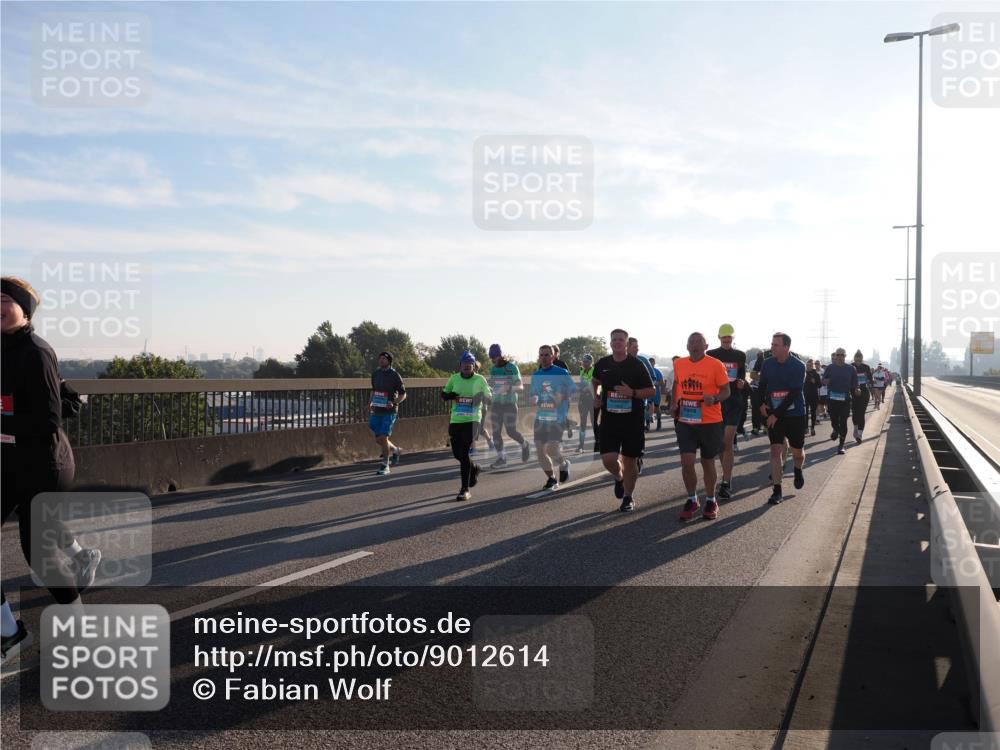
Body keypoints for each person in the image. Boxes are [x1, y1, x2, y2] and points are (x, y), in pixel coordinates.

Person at [2, 277, 98, 663]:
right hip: (7, 462)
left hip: (44, 464)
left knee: (39, 554)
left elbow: (47, 421)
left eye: (5, 299)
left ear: (25, 310)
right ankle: (10, 632)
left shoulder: (36, 352)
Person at [592, 329, 655, 512]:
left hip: (632, 420)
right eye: (615, 340)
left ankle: (628, 497)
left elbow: (651, 390)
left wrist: (633, 393)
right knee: (608, 459)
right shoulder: (603, 363)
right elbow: (595, 381)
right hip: (610, 419)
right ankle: (619, 478)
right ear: (610, 343)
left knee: (630, 461)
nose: (618, 342)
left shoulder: (636, 365)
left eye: (621, 340)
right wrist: (596, 396)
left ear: (626, 344)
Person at [673, 332, 731, 521]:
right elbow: (677, 384)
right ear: (687, 346)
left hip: (710, 422)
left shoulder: (715, 364)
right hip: (686, 421)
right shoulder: (679, 364)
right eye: (692, 342)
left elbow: (726, 391)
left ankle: (711, 499)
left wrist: (714, 399)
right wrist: (674, 403)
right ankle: (692, 498)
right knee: (687, 461)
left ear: (706, 346)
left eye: (699, 342)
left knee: (708, 462)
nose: (695, 345)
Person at [758, 332, 808, 504]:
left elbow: (794, 393)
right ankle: (777, 490)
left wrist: (775, 414)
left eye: (776, 345)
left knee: (797, 453)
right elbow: (762, 386)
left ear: (786, 347)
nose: (772, 347)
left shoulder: (799, 366)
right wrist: (761, 404)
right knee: (775, 451)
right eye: (772, 344)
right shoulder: (767, 364)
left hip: (795, 414)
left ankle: (797, 469)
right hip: (774, 415)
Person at [441, 352, 492, 501]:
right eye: (464, 365)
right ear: (460, 366)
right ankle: (474, 468)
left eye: (469, 365)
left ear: (474, 367)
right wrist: (453, 395)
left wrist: (478, 398)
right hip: (456, 420)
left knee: (463, 453)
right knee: (458, 454)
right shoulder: (454, 378)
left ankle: (465, 489)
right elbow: (444, 394)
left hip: (473, 420)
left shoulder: (480, 379)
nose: (466, 367)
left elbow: (488, 398)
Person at [706, 324, 746, 501]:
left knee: (727, 442)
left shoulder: (740, 355)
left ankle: (726, 482)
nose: (727, 341)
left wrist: (741, 383)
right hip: (718, 402)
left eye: (729, 338)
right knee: (721, 445)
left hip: (734, 402)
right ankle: (725, 477)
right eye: (724, 338)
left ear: (733, 338)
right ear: (719, 338)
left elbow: (742, 376)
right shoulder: (712, 355)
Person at [530, 345, 576, 490]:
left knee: (551, 450)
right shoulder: (536, 375)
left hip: (557, 418)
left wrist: (562, 395)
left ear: (552, 356)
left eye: (546, 355)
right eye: (541, 355)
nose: (543, 358)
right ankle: (551, 478)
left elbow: (573, 389)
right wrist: (534, 398)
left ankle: (563, 464)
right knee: (539, 450)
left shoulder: (561, 372)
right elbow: (534, 393)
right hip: (541, 418)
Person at [486, 344, 530, 468]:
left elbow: (521, 387)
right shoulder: (493, 369)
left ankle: (525, 444)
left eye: (494, 357)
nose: (492, 360)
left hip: (510, 404)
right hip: (496, 404)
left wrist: (509, 388)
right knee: (495, 432)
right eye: (491, 358)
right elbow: (495, 386)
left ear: (500, 355)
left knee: (511, 432)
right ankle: (501, 458)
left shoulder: (512, 367)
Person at [369, 352, 407, 476]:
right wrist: (370, 403)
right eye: (380, 358)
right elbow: (374, 390)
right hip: (377, 410)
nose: (381, 360)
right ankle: (396, 450)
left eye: (384, 359)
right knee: (379, 439)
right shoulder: (375, 374)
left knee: (384, 437)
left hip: (389, 411)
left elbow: (403, 394)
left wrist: (394, 402)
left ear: (389, 361)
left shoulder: (395, 375)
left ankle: (385, 465)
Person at [821, 348, 859, 455]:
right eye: (838, 355)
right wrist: (825, 381)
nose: (840, 357)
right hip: (832, 399)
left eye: (842, 355)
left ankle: (841, 445)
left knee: (843, 421)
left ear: (845, 356)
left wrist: (857, 389)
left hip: (845, 399)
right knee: (833, 419)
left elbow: (856, 383)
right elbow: (823, 381)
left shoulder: (851, 369)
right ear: (835, 356)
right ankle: (835, 429)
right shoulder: (830, 368)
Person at [551, 345, 574, 440]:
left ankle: (559, 438)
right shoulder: (543, 364)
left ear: (557, 354)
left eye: (554, 352)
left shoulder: (561, 364)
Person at [851, 351, 873, 444]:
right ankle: (855, 428)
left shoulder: (866, 367)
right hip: (853, 392)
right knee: (855, 413)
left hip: (864, 393)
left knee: (861, 413)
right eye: (857, 359)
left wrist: (870, 381)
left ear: (862, 359)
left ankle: (860, 434)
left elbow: (870, 379)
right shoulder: (850, 367)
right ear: (854, 358)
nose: (858, 361)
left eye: (860, 359)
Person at [576, 353, 597, 452]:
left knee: (594, 422)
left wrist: (588, 388)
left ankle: (598, 443)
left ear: (591, 363)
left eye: (587, 362)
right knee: (583, 421)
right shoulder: (581, 370)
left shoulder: (594, 370)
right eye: (583, 361)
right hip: (583, 399)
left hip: (592, 399)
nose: (584, 363)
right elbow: (581, 383)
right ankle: (581, 446)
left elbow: (596, 384)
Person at [804, 359, 822, 437]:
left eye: (811, 365)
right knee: (806, 413)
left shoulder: (816, 374)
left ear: (813, 366)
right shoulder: (804, 373)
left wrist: (815, 382)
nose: (809, 366)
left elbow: (820, 385)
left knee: (813, 412)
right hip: (805, 395)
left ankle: (812, 428)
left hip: (814, 395)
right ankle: (806, 427)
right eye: (808, 365)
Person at [647, 357, 665, 431]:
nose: (651, 363)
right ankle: (647, 424)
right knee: (647, 407)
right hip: (647, 392)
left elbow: (662, 383)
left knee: (657, 407)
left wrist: (655, 383)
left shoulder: (657, 371)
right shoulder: (646, 371)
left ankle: (659, 422)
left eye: (652, 362)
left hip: (656, 393)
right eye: (649, 362)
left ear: (654, 363)